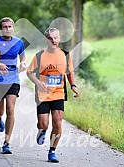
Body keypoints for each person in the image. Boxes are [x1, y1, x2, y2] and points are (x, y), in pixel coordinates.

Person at [26, 28, 79, 163]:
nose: (54, 40)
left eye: (56, 38)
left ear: (59, 39)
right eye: (51, 38)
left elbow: (69, 72)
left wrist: (73, 86)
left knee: (57, 123)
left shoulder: (65, 55)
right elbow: (30, 72)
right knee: (43, 123)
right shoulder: (39, 56)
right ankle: (42, 131)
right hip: (43, 94)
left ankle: (52, 151)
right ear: (46, 39)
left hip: (58, 93)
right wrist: (38, 82)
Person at [0, 17, 26, 154]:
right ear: (1, 29)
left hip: (13, 78)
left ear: (13, 28)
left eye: (10, 27)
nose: (7, 29)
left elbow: (23, 57)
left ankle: (7, 142)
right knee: (0, 111)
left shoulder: (19, 42)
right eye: (4, 27)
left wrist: (23, 64)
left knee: (10, 110)